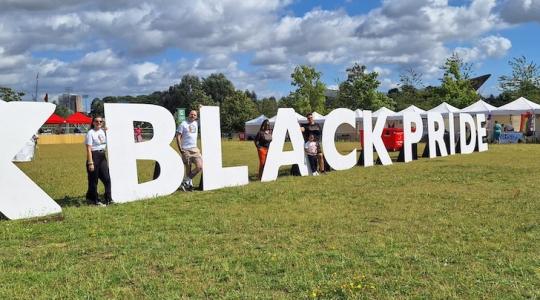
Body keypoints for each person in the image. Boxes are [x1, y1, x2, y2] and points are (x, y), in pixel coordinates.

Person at [85, 116, 112, 206]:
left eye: (101, 121)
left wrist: (106, 129)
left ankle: (108, 199)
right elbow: (88, 148)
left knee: (107, 178)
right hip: (94, 156)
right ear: (93, 122)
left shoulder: (103, 131)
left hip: (102, 156)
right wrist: (90, 162)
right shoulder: (90, 133)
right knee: (93, 180)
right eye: (96, 121)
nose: (99, 123)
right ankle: (94, 200)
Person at [176, 110, 203, 191]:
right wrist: (180, 149)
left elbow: (205, 117)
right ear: (189, 114)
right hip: (186, 149)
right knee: (188, 168)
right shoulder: (183, 124)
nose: (193, 116)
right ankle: (189, 186)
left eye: (195, 115)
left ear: (196, 116)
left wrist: (201, 108)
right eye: (191, 114)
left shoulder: (196, 123)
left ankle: (185, 181)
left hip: (195, 149)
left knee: (200, 167)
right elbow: (178, 136)